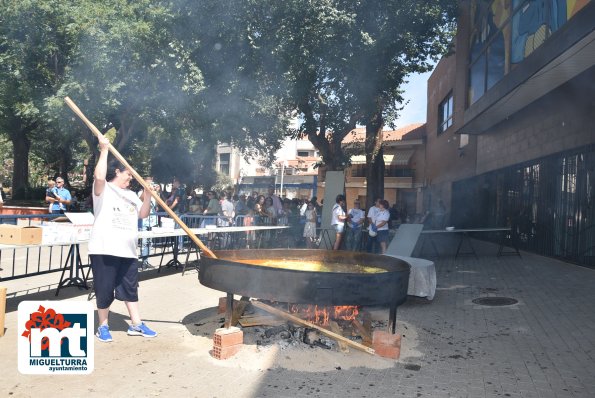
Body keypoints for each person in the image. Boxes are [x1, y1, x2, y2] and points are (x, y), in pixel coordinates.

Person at [89, 134, 157, 342]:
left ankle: (136, 324)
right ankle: (103, 325)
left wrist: (148, 196)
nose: (131, 178)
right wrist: (104, 150)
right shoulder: (103, 189)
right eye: (128, 174)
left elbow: (143, 214)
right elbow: (99, 176)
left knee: (130, 288)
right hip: (104, 249)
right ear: (117, 171)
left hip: (128, 251)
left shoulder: (130, 195)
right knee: (104, 289)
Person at [138, 177, 159, 269]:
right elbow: (141, 199)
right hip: (144, 221)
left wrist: (157, 192)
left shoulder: (154, 192)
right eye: (148, 183)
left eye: (152, 183)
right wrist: (146, 190)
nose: (150, 185)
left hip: (153, 221)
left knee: (150, 242)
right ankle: (144, 261)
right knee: (144, 242)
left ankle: (147, 260)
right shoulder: (141, 192)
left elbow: (158, 205)